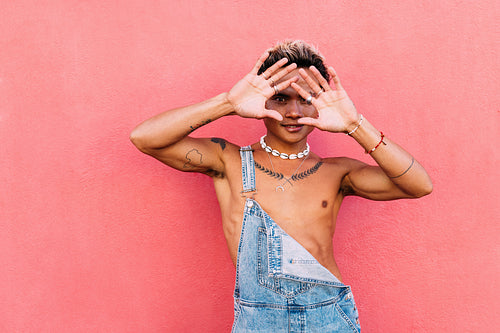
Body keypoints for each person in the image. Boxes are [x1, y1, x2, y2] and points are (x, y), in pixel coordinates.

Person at [130, 40, 432, 332]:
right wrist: (228, 103)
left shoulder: (337, 173)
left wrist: (354, 124)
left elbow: (419, 185)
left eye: (306, 99)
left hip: (328, 317)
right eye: (281, 97)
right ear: (262, 100)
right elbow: (145, 138)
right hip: (258, 320)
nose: (294, 112)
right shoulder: (228, 161)